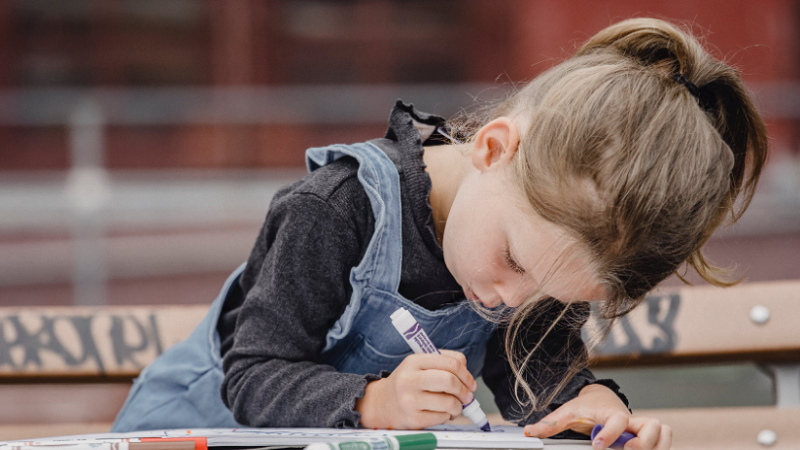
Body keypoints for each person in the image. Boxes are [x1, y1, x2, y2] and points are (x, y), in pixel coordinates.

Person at [112, 18, 767, 450]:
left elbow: (538, 381)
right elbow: (253, 376)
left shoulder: (541, 255)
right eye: (513, 259)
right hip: (185, 432)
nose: (509, 298)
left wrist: (592, 409)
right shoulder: (336, 210)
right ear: (493, 148)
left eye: (549, 293)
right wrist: (374, 401)